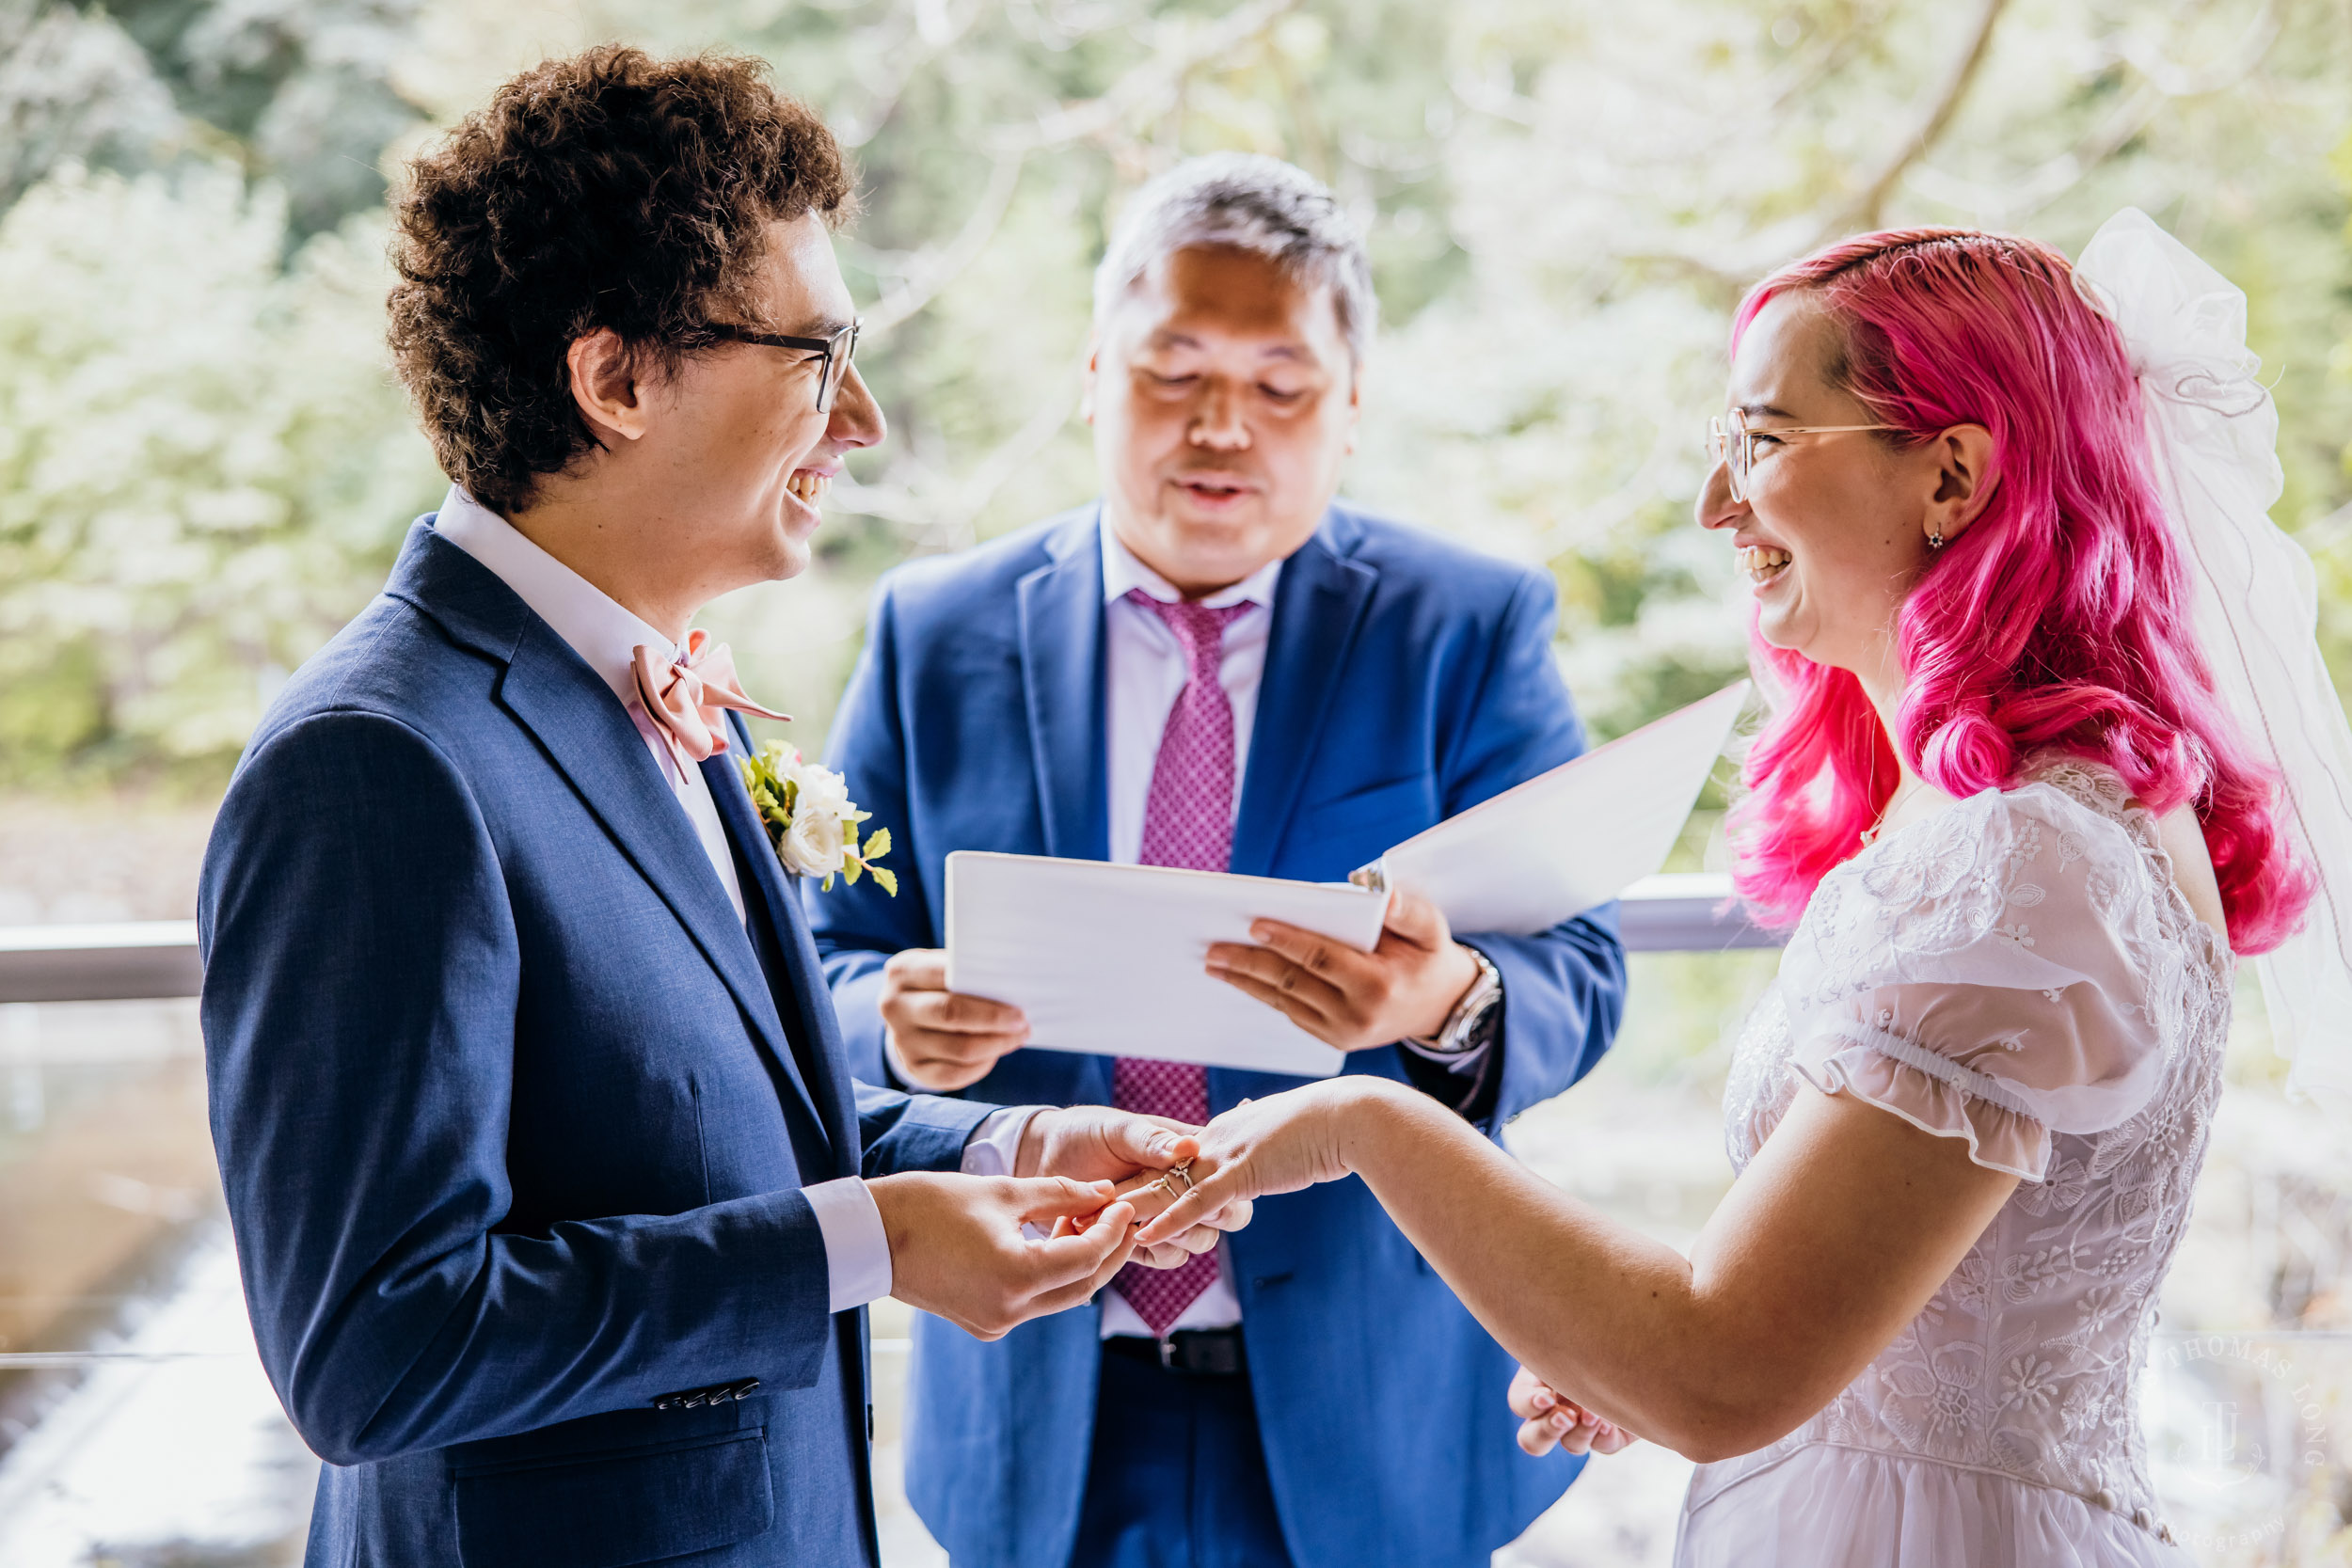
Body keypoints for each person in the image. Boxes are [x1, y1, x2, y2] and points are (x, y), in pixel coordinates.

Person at [1136, 218, 2334, 1565]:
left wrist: (1365, 1120)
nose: (1717, 505)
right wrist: (1622, 1339)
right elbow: (1863, 1294)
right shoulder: (2015, 818)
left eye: (1763, 442)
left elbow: (1722, 1372)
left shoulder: (2025, 862)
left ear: (1950, 474)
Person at [198, 49, 1227, 1568]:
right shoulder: (375, 766)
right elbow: (376, 1350)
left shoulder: (652, 692)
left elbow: (703, 1132)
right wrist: (869, 1247)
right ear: (614, 379)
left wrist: (1000, 1148)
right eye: (815, 354)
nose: (860, 417)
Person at [807, 154, 1628, 1568]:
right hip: (1036, 1391)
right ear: (1091, 373)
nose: (1221, 425)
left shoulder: (1466, 627)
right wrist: (888, 1023)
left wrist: (1439, 1004)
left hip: (1379, 1399)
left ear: (1351, 409)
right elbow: (814, 968)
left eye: (1280, 381)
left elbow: (1582, 974)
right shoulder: (932, 632)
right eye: (1173, 368)